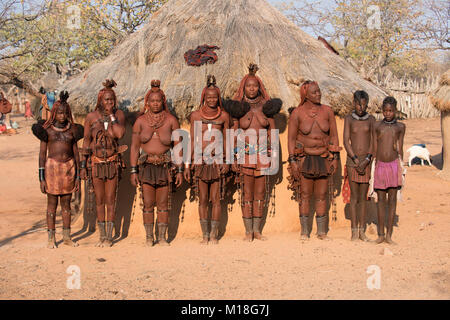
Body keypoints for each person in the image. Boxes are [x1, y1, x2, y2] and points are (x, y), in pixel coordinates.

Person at [229, 64, 280, 242]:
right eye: (249, 86)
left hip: (263, 156)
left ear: (259, 87)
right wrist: (233, 157)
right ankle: (248, 231)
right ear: (244, 87)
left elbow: (272, 133)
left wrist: (274, 158)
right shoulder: (239, 108)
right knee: (247, 194)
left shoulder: (267, 107)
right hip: (244, 156)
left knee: (260, 194)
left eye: (255, 86)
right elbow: (234, 134)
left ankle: (257, 230)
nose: (252, 89)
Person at [130, 80, 183, 246]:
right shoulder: (140, 122)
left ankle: (161, 237)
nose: (155, 103)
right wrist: (133, 171)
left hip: (165, 167)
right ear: (147, 102)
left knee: (162, 203)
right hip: (146, 166)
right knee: (147, 203)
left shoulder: (171, 121)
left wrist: (180, 170)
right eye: (152, 101)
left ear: (163, 102)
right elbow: (134, 147)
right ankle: (148, 237)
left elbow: (178, 147)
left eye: (158, 101)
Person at [287, 80, 341, 241]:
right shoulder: (297, 113)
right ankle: (304, 232)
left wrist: (335, 157)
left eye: (319, 91)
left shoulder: (328, 111)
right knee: (304, 194)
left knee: (322, 195)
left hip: (323, 157)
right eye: (314, 92)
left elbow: (334, 136)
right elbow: (290, 139)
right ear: (306, 95)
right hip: (305, 158)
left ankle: (322, 232)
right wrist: (293, 161)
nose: (318, 94)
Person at [32, 91, 83, 248]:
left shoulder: (72, 131)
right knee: (52, 205)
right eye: (59, 112)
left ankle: (67, 237)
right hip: (52, 170)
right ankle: (51, 238)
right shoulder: (47, 130)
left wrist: (77, 177)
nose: (62, 116)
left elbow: (76, 154)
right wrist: (41, 178)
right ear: (54, 113)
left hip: (69, 169)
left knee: (66, 205)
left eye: (65, 113)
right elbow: (42, 155)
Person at [184, 75, 231, 245]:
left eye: (214, 97)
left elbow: (227, 140)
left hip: (217, 161)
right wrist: (187, 165)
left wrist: (227, 161)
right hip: (200, 161)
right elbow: (191, 139)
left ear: (218, 98)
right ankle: (205, 234)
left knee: (216, 199)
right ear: (204, 97)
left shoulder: (224, 116)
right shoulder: (196, 116)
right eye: (208, 97)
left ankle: (214, 235)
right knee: (203, 199)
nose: (211, 100)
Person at [80, 80, 126, 247]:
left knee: (110, 199)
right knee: (99, 199)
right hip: (96, 163)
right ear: (100, 100)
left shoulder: (119, 115)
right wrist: (83, 166)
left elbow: (119, 134)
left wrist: (112, 116)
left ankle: (109, 237)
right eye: (106, 100)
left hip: (112, 163)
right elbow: (86, 141)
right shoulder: (91, 117)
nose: (109, 103)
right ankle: (102, 236)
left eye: (111, 100)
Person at [372, 96, 405, 245]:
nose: (388, 113)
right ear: (382, 111)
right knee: (380, 201)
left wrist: (402, 167)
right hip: (380, 165)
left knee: (392, 201)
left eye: (391, 111)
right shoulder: (377, 126)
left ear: (395, 111)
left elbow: (401, 147)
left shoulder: (400, 127)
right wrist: (373, 164)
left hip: (393, 165)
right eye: (385, 111)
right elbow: (374, 147)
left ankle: (389, 235)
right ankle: (380, 234)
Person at [343, 90, 375, 241]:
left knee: (363, 198)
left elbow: (374, 142)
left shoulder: (371, 120)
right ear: (353, 103)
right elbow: (346, 141)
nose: (360, 107)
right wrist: (355, 159)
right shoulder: (349, 119)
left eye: (363, 104)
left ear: (367, 104)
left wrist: (367, 159)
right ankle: (354, 230)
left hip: (366, 161)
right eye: (357, 104)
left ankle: (362, 231)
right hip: (352, 161)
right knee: (354, 197)